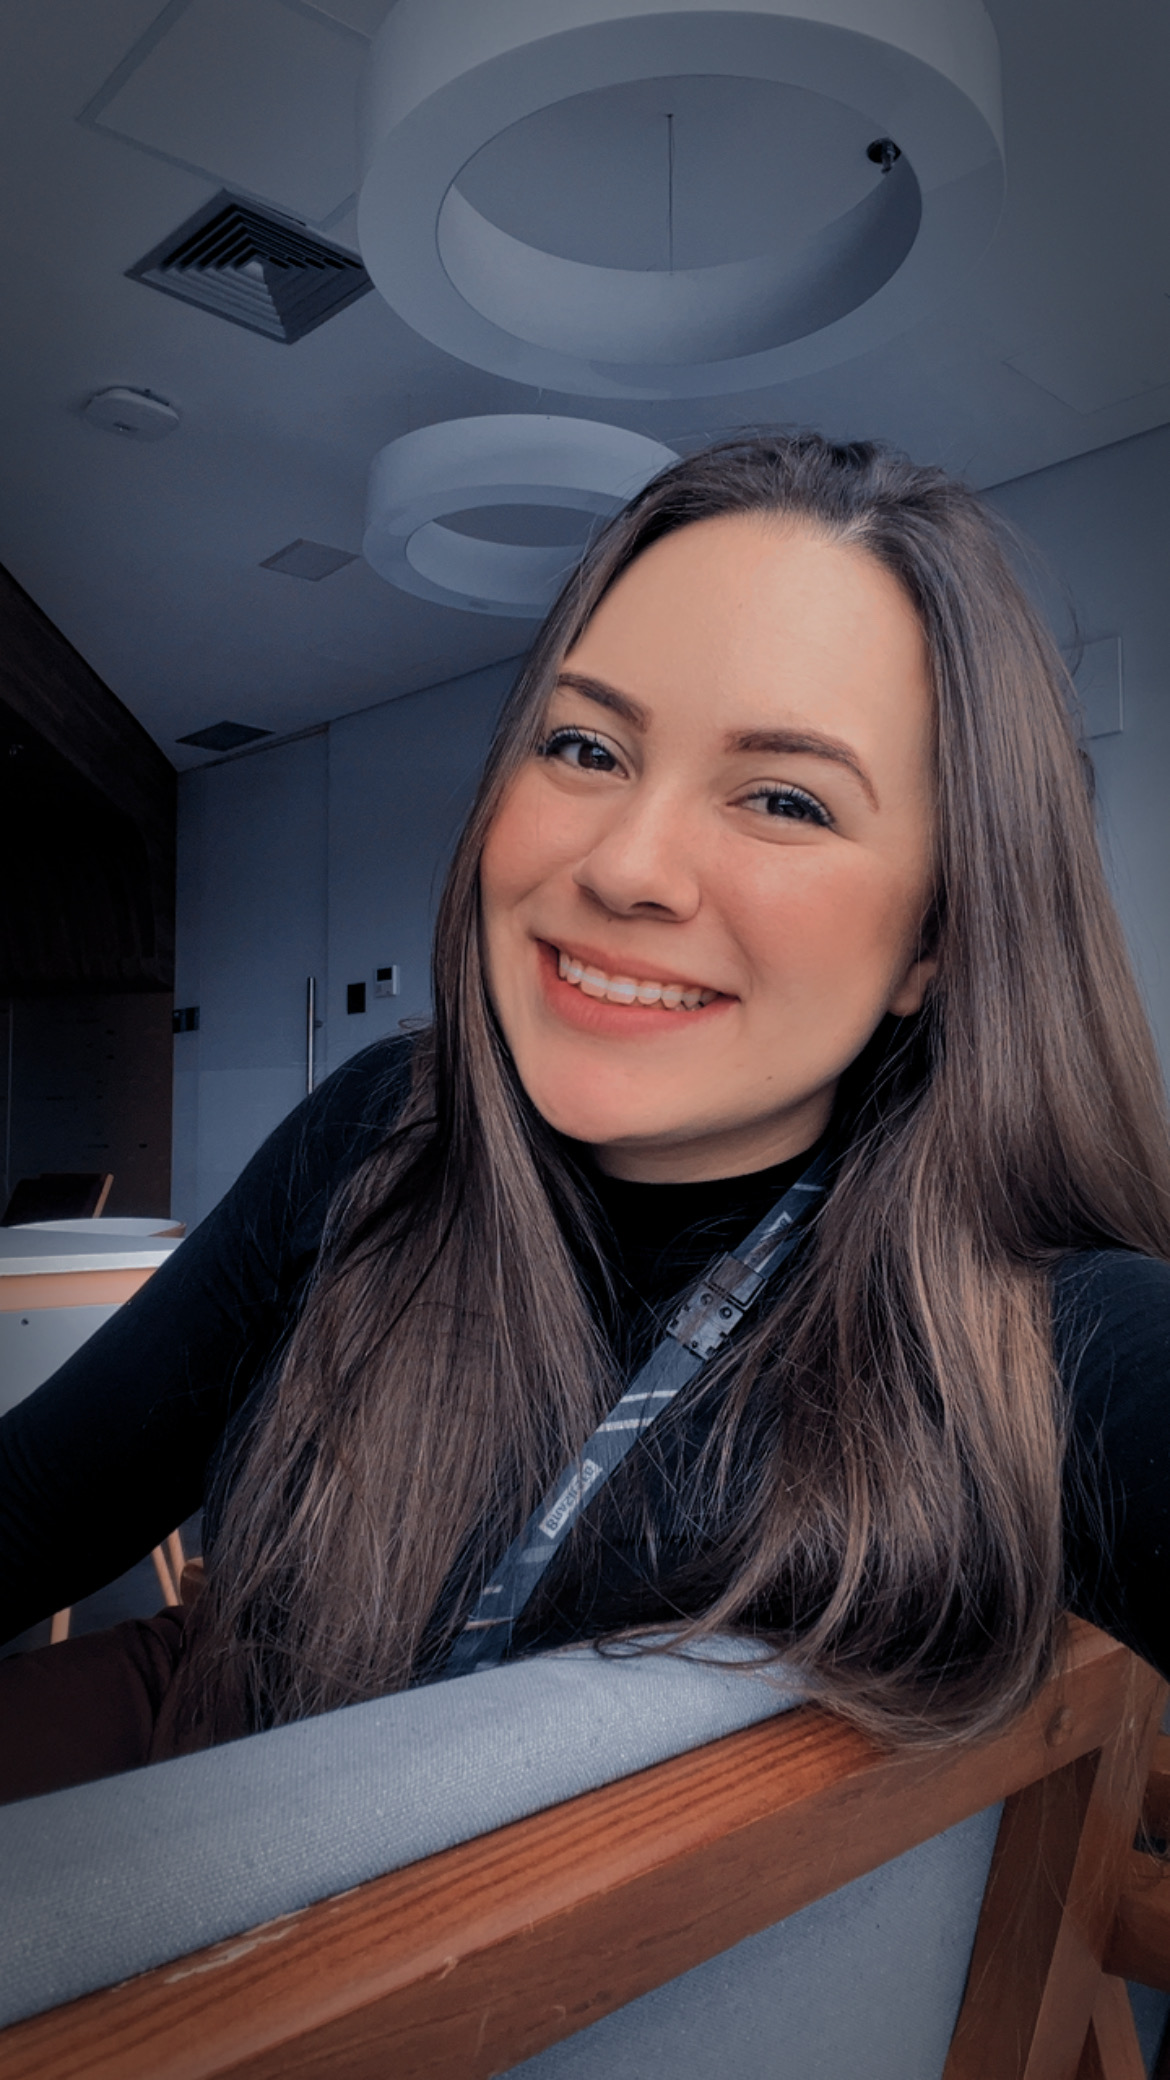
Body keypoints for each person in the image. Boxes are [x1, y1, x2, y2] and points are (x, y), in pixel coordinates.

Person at [2, 432, 1169, 1801]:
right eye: (584, 746)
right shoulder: (380, 1133)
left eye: (784, 798)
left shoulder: (1042, 1346)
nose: (624, 866)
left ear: (935, 939)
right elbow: (38, 1503)